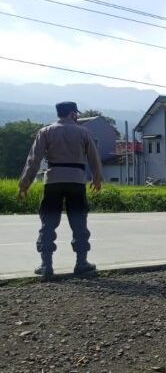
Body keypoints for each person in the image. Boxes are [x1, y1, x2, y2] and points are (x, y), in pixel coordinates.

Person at [17, 101, 103, 279]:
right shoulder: (83, 132)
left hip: (53, 181)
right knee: (79, 222)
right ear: (72, 114)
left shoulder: (46, 131)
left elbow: (33, 160)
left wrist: (24, 184)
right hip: (76, 181)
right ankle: (81, 264)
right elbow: (94, 158)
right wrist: (96, 178)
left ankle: (46, 266)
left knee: (48, 222)